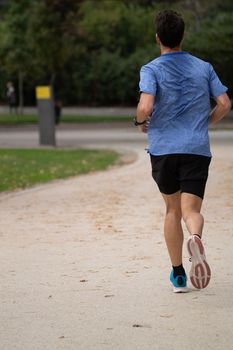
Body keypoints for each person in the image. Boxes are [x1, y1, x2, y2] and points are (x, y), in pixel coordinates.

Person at [135, 10, 231, 293]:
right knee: (191, 210)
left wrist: (140, 123)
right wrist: (205, 122)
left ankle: (178, 275)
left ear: (157, 38)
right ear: (183, 36)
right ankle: (196, 238)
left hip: (164, 150)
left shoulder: (151, 69)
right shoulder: (204, 67)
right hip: (196, 149)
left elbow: (146, 106)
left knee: (171, 210)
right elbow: (224, 103)